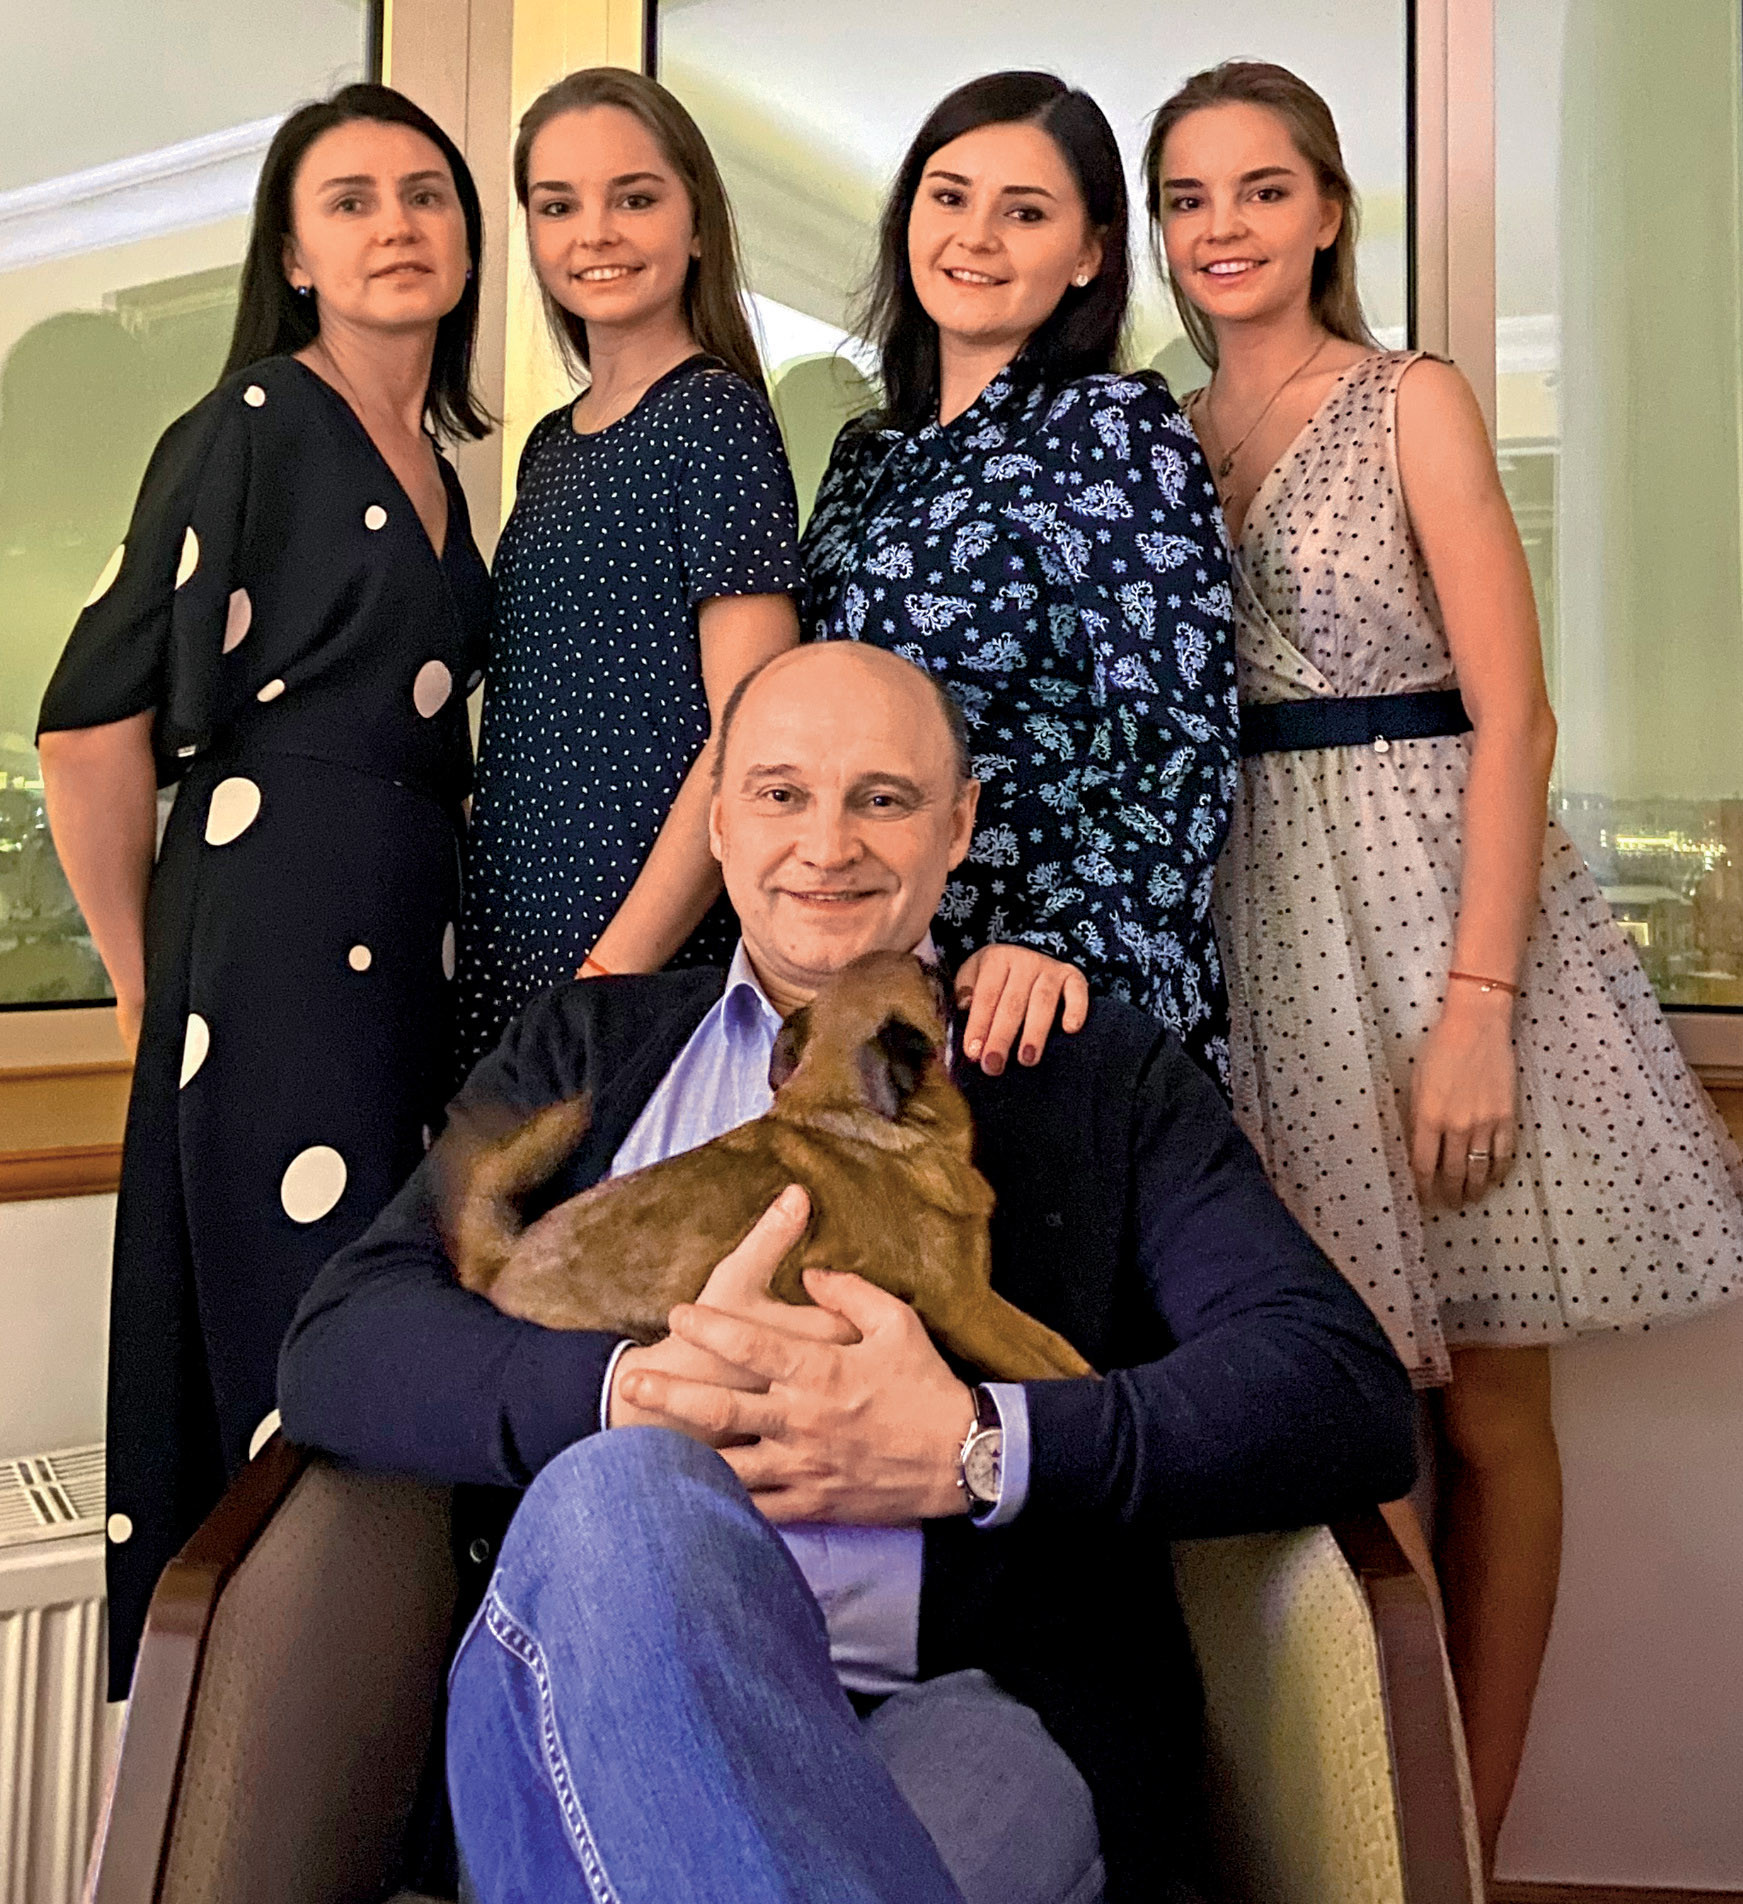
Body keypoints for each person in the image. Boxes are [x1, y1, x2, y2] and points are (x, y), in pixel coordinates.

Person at [278, 640, 1416, 1904]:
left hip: (967, 1710)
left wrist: (976, 1447)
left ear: (957, 825)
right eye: (781, 793)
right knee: (619, 1493)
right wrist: (626, 1393)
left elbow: (1338, 1388)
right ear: (718, 820)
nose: (828, 845)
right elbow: (341, 1342)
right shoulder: (581, 1046)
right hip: (606, 1692)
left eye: (882, 796)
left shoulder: (1095, 1075)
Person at [1145, 60, 1743, 1868]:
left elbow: (1516, 715)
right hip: (1255, 928)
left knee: (1486, 1407)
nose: (1222, 226)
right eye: (1186, 194)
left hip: (1436, 922)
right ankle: (1362, 1822)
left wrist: (1476, 1009)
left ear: (1326, 208)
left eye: (1260, 187)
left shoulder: (1409, 398)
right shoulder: (1154, 431)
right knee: (1338, 1403)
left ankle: (1456, 1844)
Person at [36, 83, 493, 1699]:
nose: (395, 225)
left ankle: (351, 1744)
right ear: (292, 255)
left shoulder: (439, 468)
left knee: (380, 1319)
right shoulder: (249, 423)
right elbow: (87, 724)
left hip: (403, 939)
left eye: (425, 194)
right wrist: (141, 977)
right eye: (350, 201)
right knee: (304, 1342)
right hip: (277, 923)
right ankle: (263, 1747)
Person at [801, 72, 1239, 1084]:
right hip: (876, 980)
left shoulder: (1113, 430)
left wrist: (1060, 939)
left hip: (1048, 992)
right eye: (949, 196)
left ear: (1089, 254)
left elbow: (1177, 734)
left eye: (1025, 212)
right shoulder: (869, 455)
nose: (976, 236)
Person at [455, 69, 801, 1070]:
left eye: (634, 198)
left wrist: (611, 974)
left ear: (696, 225)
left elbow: (749, 738)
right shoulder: (551, 445)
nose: (594, 233)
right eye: (557, 205)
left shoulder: (715, 420)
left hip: (635, 954)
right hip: (513, 936)